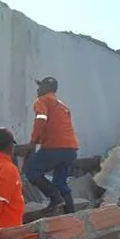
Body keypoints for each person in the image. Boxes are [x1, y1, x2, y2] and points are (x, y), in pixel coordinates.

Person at [22, 77, 79, 214]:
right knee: (60, 182)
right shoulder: (63, 106)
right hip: (71, 149)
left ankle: (55, 198)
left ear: (48, 88)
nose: (38, 89)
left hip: (55, 147)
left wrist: (32, 143)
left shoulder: (42, 100)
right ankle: (71, 213)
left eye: (40, 86)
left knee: (32, 172)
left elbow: (41, 121)